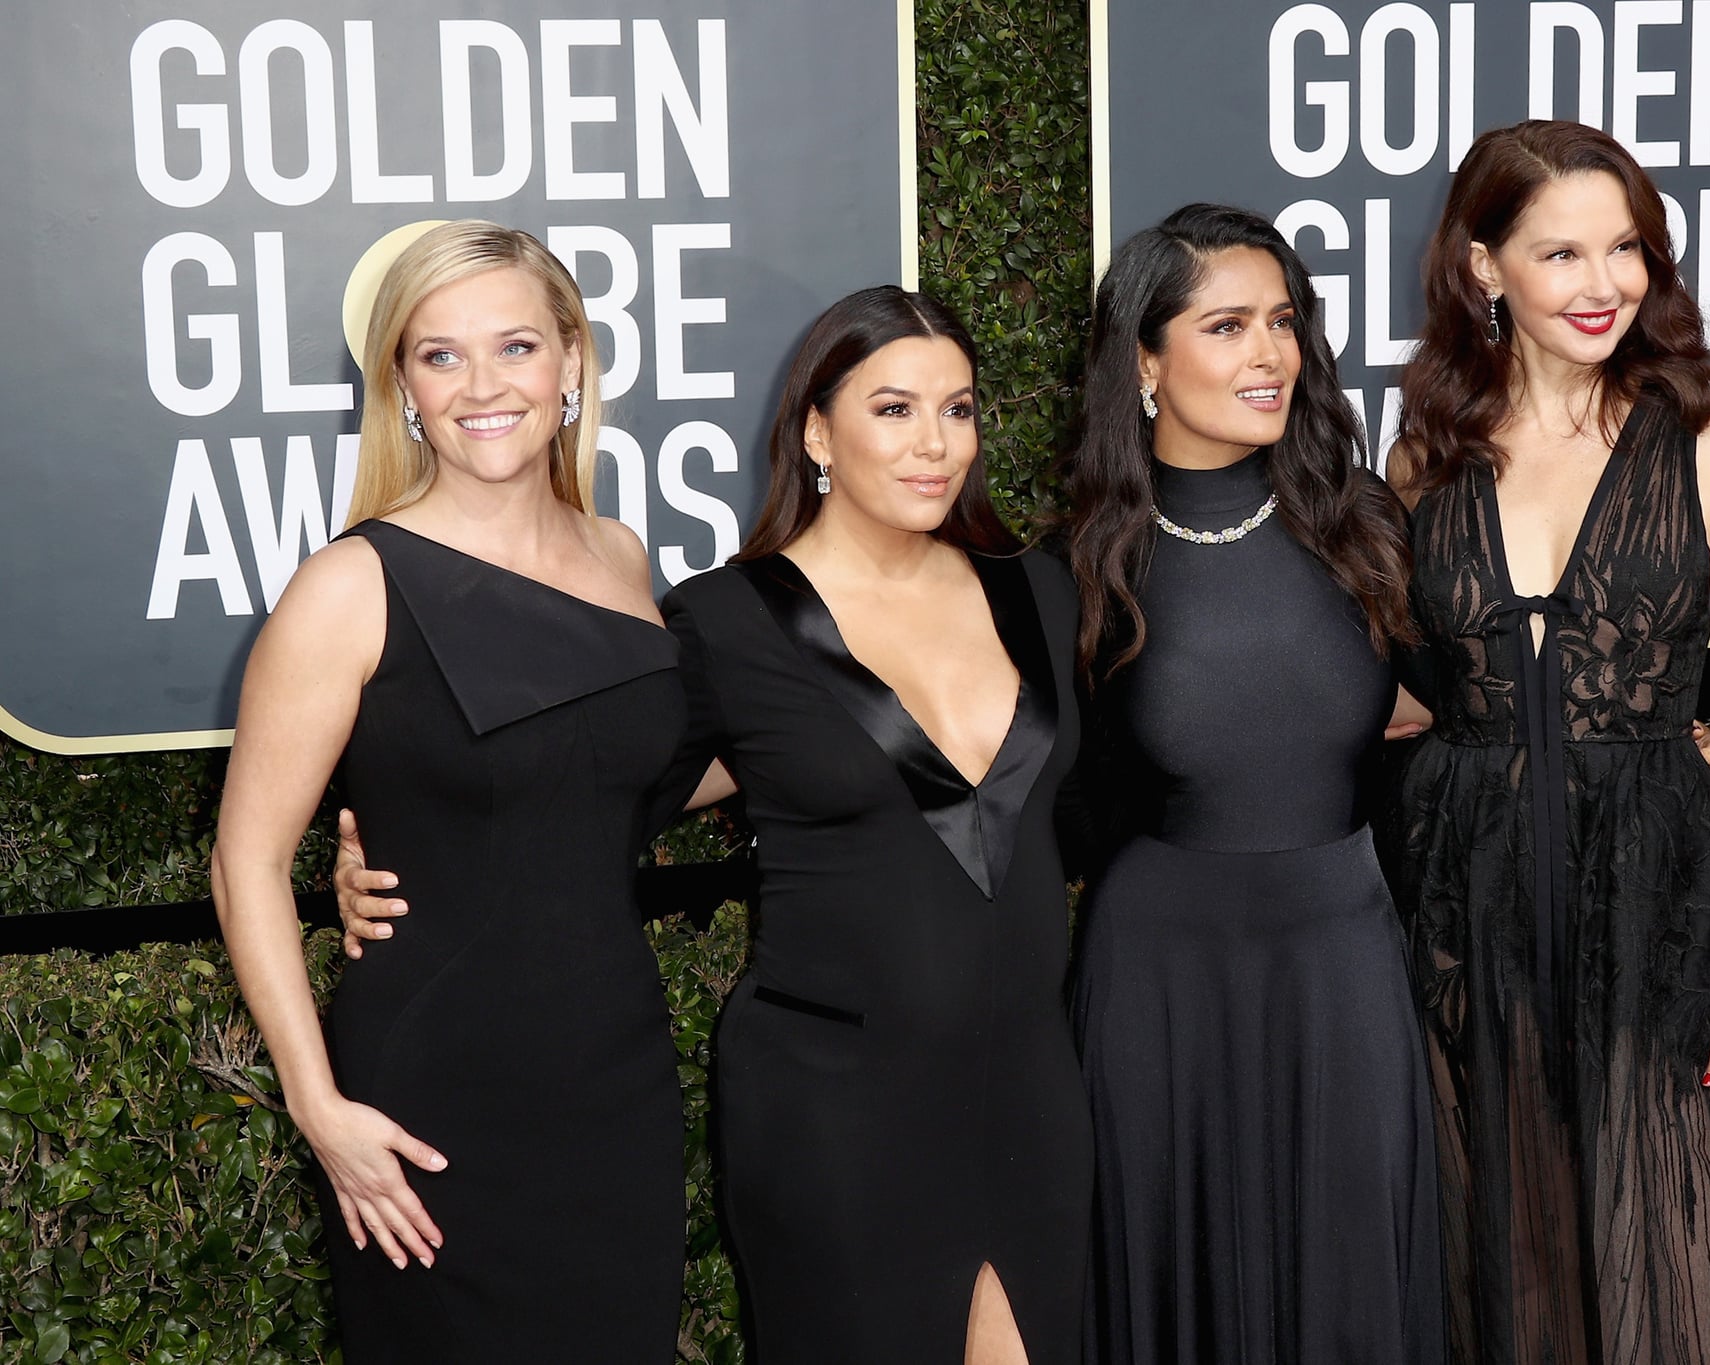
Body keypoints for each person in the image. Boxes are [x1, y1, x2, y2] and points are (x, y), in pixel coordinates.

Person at [338, 286, 1093, 1364]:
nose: (934, 444)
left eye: (958, 409)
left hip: (1031, 1095)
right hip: (834, 1108)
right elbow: (582, 795)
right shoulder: (725, 622)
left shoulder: (1044, 594)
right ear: (817, 431)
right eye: (892, 409)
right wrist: (390, 855)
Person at [1385, 120, 1710, 1364]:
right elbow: (1400, 694)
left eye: (1626, 250)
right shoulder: (1421, 460)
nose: (1602, 284)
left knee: (1698, 1274)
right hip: (1470, 912)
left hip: (1667, 905)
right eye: (1559, 254)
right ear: (1481, 267)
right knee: (1509, 1276)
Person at [211, 221, 714, 1361]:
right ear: (402, 384)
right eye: (440, 355)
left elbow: (625, 776)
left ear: (572, 363)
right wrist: (318, 1106)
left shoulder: (623, 558)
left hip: (613, 1079)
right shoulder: (349, 585)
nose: (482, 386)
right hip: (432, 1094)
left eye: (516, 347)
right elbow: (244, 860)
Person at [1059, 203, 1445, 1364]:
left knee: (1349, 1293)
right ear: (1143, 358)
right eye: (1225, 326)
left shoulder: (1361, 523)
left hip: (1342, 964)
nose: (1267, 353)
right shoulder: (1078, 564)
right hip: (1157, 984)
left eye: (1281, 321)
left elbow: (1458, 707)